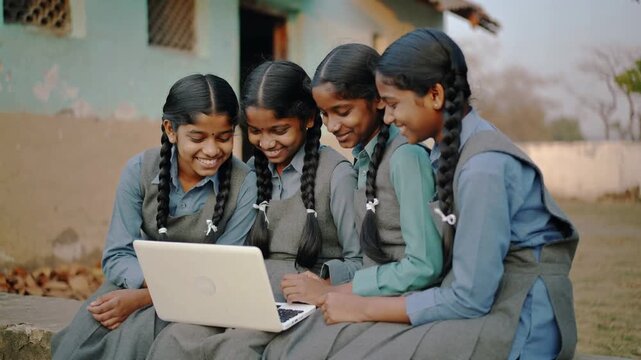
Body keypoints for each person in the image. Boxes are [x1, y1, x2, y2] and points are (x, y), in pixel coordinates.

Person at [296, 29, 579, 360]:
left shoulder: (483, 168)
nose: (387, 117)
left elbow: (469, 298)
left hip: (521, 319)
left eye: (392, 104)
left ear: (435, 95)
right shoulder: (451, 153)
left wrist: (362, 307)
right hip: (486, 302)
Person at [145, 60, 362, 359]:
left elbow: (361, 261)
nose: (267, 143)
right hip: (246, 298)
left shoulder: (336, 176)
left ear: (309, 119)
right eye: (256, 132)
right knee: (177, 338)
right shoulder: (251, 174)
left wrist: (325, 281)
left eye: (279, 130)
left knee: (236, 349)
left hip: (297, 304)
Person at [51, 74, 258, 360]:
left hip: (202, 301)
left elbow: (224, 274)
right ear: (170, 130)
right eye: (197, 137)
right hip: (136, 282)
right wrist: (146, 289)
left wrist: (146, 299)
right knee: (80, 339)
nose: (211, 150)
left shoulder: (245, 183)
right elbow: (117, 255)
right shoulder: (139, 170)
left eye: (224, 137)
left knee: (135, 340)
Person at [263, 43, 443, 359]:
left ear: (377, 99)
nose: (332, 126)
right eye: (324, 114)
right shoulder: (362, 161)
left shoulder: (406, 158)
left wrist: (336, 292)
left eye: (342, 111)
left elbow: (424, 265)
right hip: (368, 297)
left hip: (399, 305)